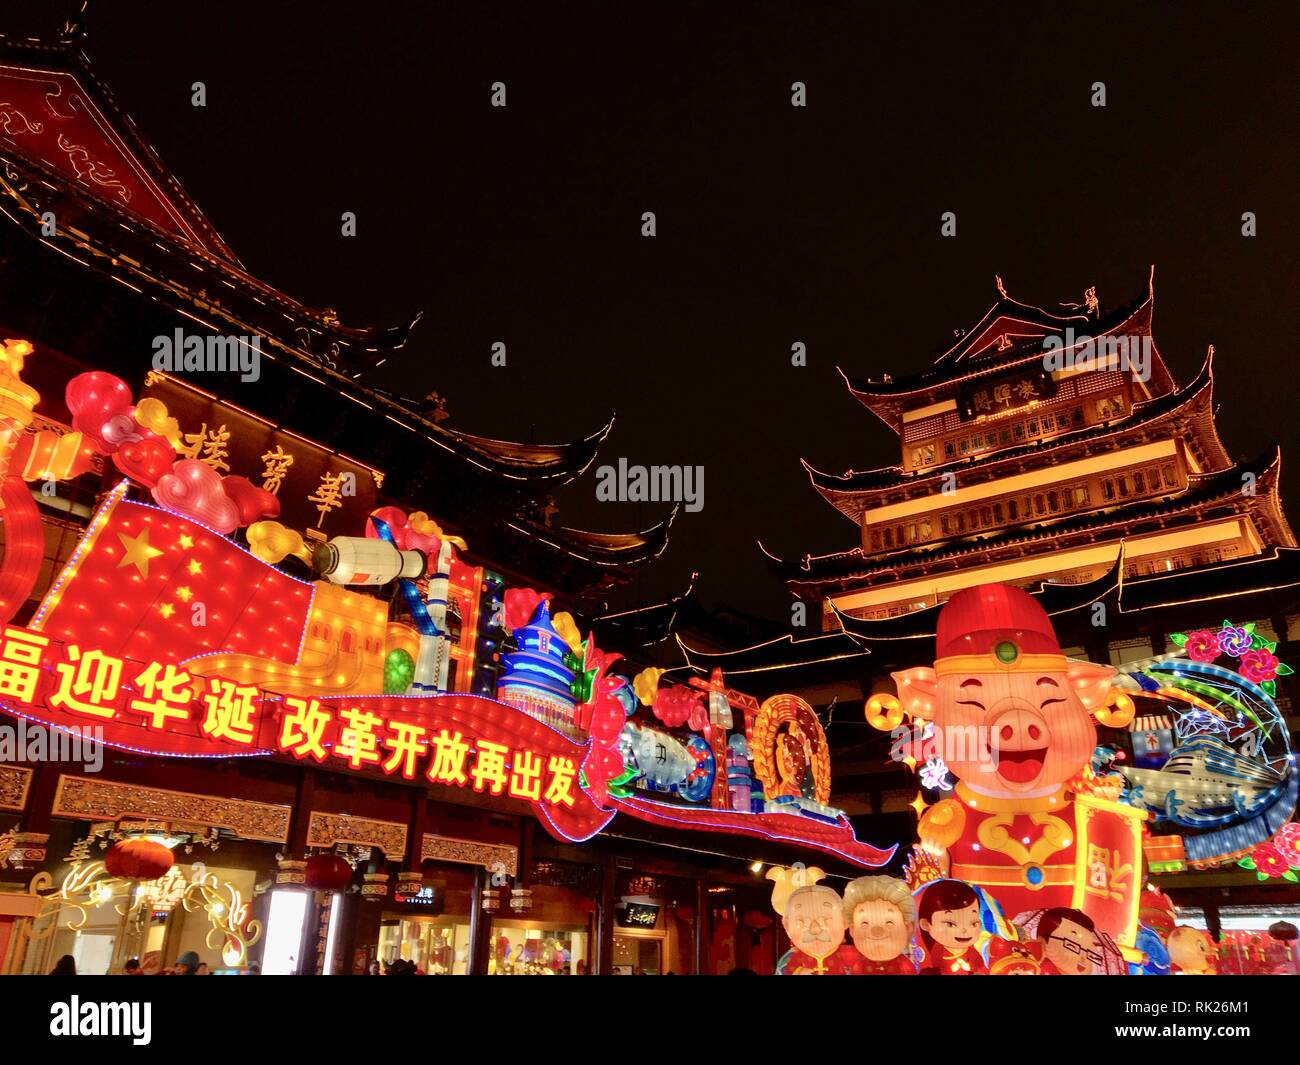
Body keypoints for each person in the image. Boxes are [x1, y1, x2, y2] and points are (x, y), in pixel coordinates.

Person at [842, 876, 918, 974]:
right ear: (852, 930)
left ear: (907, 928)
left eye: (889, 922)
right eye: (864, 923)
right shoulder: (859, 966)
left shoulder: (904, 966)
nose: (876, 931)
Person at [917, 880, 986, 975]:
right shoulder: (938, 949)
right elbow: (936, 963)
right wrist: (953, 967)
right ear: (926, 925)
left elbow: (978, 962)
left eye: (973, 923)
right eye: (950, 924)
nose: (964, 930)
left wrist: (968, 966)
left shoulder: (969, 949)